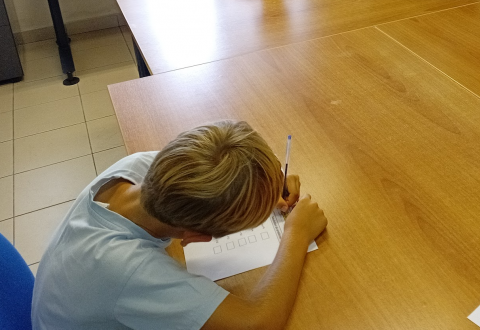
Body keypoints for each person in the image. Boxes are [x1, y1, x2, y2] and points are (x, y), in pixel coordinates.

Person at [31, 120, 327, 330]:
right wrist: (296, 234)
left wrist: (264, 184)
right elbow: (257, 322)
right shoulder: (131, 270)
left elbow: (214, 170)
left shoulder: (137, 167)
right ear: (195, 237)